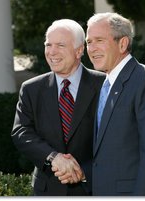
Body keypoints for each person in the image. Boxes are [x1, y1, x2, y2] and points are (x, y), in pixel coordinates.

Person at [11, 19, 105, 196]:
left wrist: (84, 171)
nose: (52, 52)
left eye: (60, 45)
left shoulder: (104, 86)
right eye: (48, 45)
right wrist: (53, 158)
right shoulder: (31, 88)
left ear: (79, 51)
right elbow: (21, 132)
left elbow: (116, 139)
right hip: (47, 190)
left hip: (93, 188)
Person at [86, 12, 145, 195]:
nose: (92, 48)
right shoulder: (105, 85)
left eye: (99, 40)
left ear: (123, 43)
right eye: (89, 42)